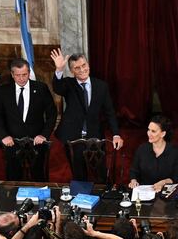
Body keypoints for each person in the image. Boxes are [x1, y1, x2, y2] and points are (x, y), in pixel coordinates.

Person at [50, 49, 124, 181]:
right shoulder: (68, 84)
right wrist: (59, 69)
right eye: (77, 68)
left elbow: (110, 112)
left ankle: (101, 195)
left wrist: (116, 134)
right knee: (78, 173)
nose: (82, 69)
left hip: (94, 134)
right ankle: (81, 197)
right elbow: (57, 88)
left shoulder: (101, 86)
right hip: (72, 136)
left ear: (88, 65)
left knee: (100, 172)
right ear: (72, 71)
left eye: (84, 65)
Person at [0, 58, 56, 181]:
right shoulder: (3, 90)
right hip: (12, 142)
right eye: (18, 75)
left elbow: (52, 114)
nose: (21, 78)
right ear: (12, 74)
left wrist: (44, 135)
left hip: (37, 141)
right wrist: (3, 135)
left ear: (29, 73)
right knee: (13, 176)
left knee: (38, 175)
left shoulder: (41, 88)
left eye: (24, 74)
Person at [128, 115, 178, 192]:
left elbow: (177, 177)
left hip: (166, 193)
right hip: (144, 193)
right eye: (148, 130)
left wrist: (163, 182)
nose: (149, 133)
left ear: (163, 134)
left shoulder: (175, 152)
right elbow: (134, 171)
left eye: (153, 131)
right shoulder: (142, 149)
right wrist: (133, 180)